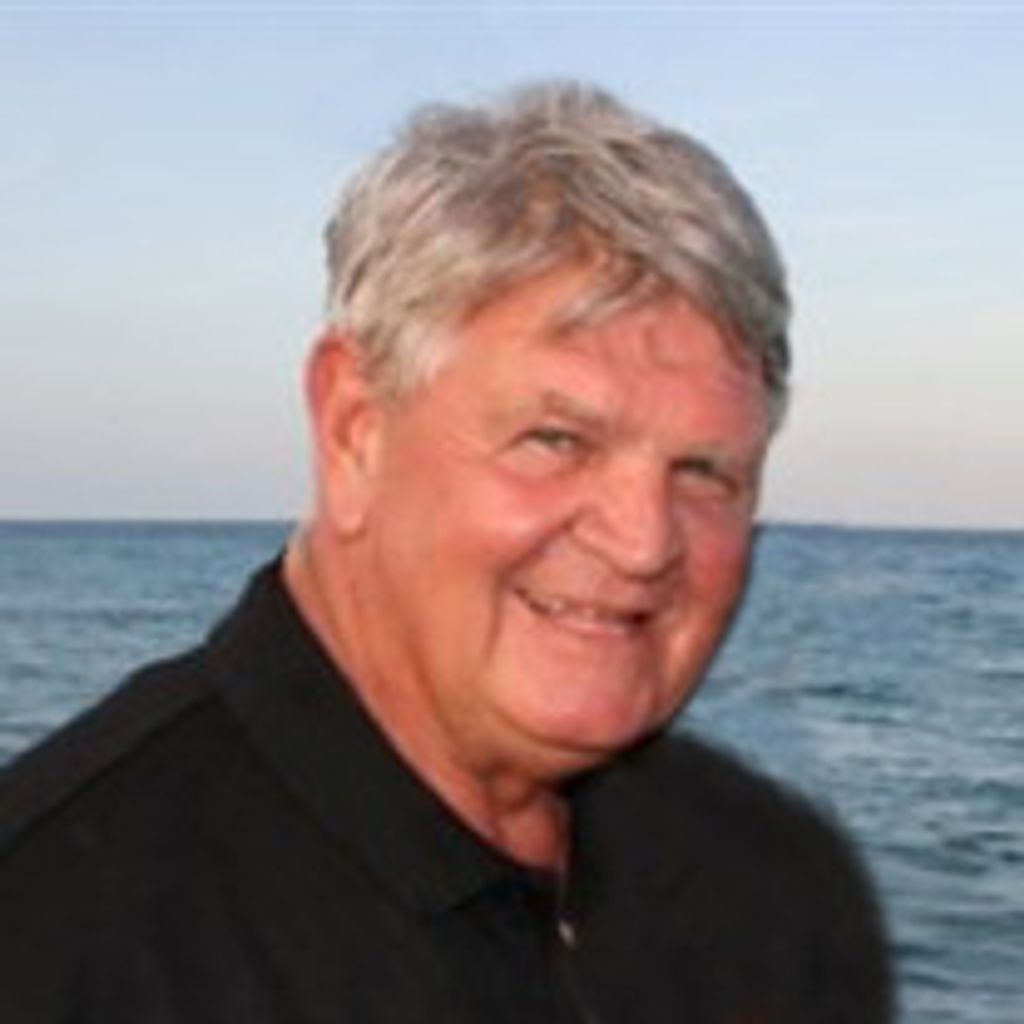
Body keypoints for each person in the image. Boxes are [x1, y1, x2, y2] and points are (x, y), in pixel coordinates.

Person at [0, 82, 892, 1023]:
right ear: (354, 430)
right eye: (556, 440)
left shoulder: (750, 884)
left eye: (705, 471)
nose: (642, 543)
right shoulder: (54, 938)